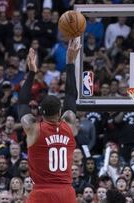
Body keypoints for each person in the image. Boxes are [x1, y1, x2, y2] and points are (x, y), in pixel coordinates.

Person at [19, 39, 81, 203]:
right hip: (66, 192)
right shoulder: (69, 125)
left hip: (42, 192)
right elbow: (70, 96)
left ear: (40, 112)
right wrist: (70, 62)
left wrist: (32, 71)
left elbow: (22, 103)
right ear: (60, 112)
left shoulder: (33, 129)